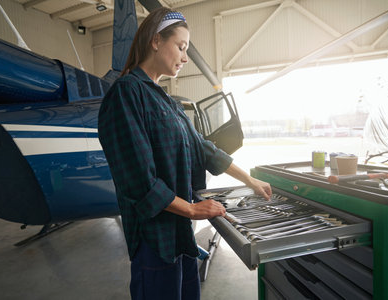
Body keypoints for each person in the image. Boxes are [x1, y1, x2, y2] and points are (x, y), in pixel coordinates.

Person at [98, 7, 272, 300]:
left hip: (180, 232)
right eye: (181, 47)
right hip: (155, 238)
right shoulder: (127, 94)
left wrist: (250, 180)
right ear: (156, 41)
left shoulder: (167, 100)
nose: (185, 57)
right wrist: (192, 209)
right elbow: (139, 181)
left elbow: (204, 149)